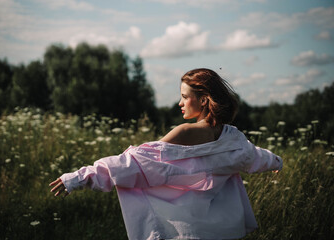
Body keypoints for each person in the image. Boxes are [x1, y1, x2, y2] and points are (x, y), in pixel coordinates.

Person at [49, 68, 283, 240]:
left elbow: (134, 164)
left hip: (184, 230)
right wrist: (276, 162)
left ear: (203, 99)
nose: (180, 103)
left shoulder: (184, 132)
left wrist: (80, 177)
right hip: (220, 229)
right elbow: (256, 156)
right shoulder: (234, 139)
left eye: (184, 96)